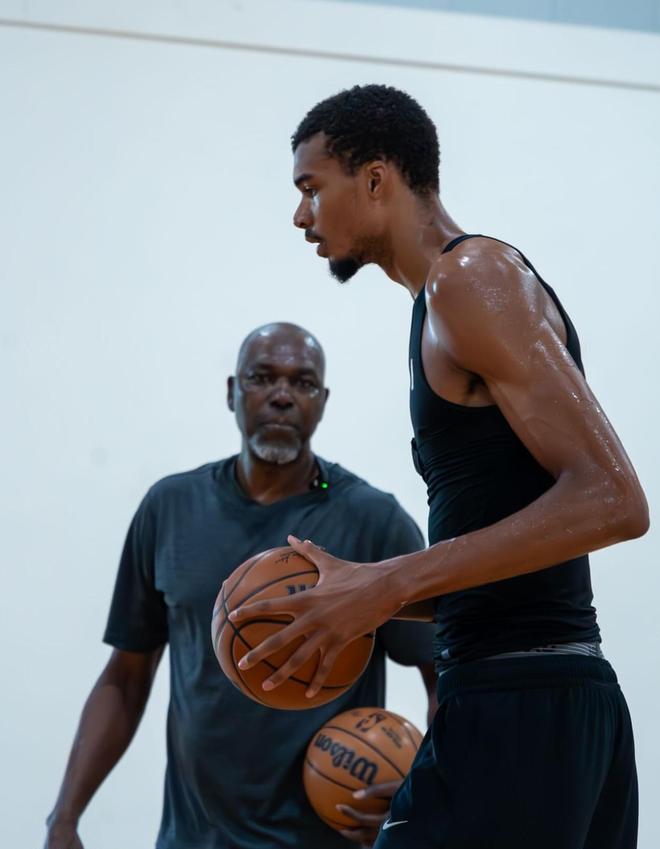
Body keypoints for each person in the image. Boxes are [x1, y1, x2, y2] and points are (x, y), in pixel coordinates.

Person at [229, 86, 650, 849]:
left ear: (376, 179)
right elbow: (519, 555)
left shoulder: (470, 277)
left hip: (523, 703)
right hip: (530, 698)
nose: (300, 216)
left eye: (310, 188)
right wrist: (356, 595)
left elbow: (613, 500)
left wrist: (390, 582)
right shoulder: (440, 299)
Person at [45, 321, 437, 849]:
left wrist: (425, 794)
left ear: (322, 402)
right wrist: (65, 817)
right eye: (262, 377)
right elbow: (125, 678)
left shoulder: (373, 521)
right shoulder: (170, 508)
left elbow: (445, 674)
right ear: (232, 391)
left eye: (302, 382)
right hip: (191, 838)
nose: (282, 395)